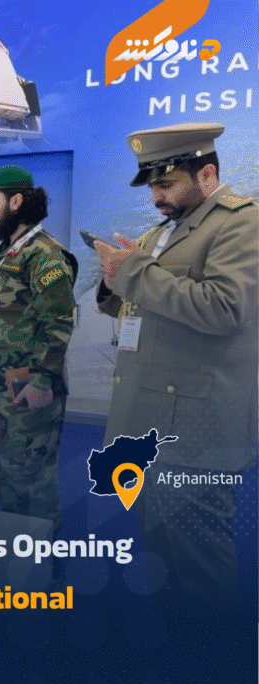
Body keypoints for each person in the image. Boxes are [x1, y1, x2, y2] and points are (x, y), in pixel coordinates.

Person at [95, 123, 258, 607]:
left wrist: (132, 271)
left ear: (206, 174)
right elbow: (145, 303)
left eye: (165, 185)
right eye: (151, 187)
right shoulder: (162, 231)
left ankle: (212, 651)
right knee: (164, 557)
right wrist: (112, 281)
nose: (155, 198)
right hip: (151, 429)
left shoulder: (242, 224)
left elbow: (223, 308)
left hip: (194, 431)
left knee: (199, 563)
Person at [0, 165, 76, 533]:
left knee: (32, 477)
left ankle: (46, 558)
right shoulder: (10, 251)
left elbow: (58, 323)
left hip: (30, 386)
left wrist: (41, 380)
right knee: (4, 470)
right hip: (2, 385)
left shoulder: (45, 255)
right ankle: (19, 547)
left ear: (16, 201)